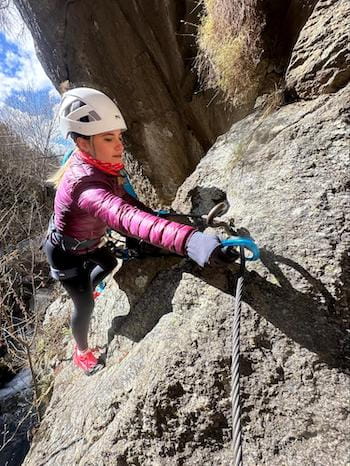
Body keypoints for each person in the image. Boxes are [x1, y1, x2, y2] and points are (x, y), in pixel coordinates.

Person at [44, 87, 235, 375]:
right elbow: (123, 215)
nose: (119, 145)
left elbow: (125, 201)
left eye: (118, 136)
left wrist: (162, 218)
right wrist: (191, 242)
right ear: (83, 144)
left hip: (89, 242)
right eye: (108, 138)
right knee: (83, 306)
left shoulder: (96, 164)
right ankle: (80, 351)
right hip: (66, 255)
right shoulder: (85, 186)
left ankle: (89, 287)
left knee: (108, 263)